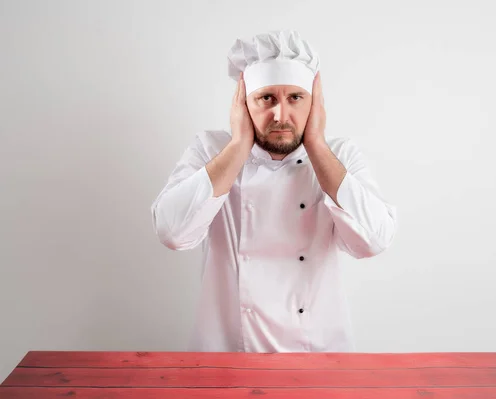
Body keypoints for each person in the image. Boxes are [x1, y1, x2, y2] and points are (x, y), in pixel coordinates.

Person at [151, 30, 397, 353]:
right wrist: (239, 145)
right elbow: (171, 231)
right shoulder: (210, 150)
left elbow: (375, 240)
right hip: (228, 360)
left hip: (320, 361)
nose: (280, 115)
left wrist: (317, 146)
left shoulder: (339, 156)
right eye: (266, 98)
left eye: (296, 97)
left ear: (315, 102)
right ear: (243, 101)